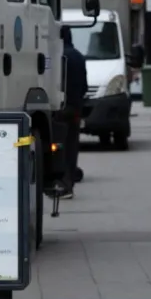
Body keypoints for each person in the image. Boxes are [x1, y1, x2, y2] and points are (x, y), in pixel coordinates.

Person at [60, 24, 88, 199]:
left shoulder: (57, 56)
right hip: (76, 107)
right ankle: (70, 183)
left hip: (60, 108)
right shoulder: (79, 56)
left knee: (60, 147)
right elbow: (84, 85)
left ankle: (62, 183)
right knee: (72, 147)